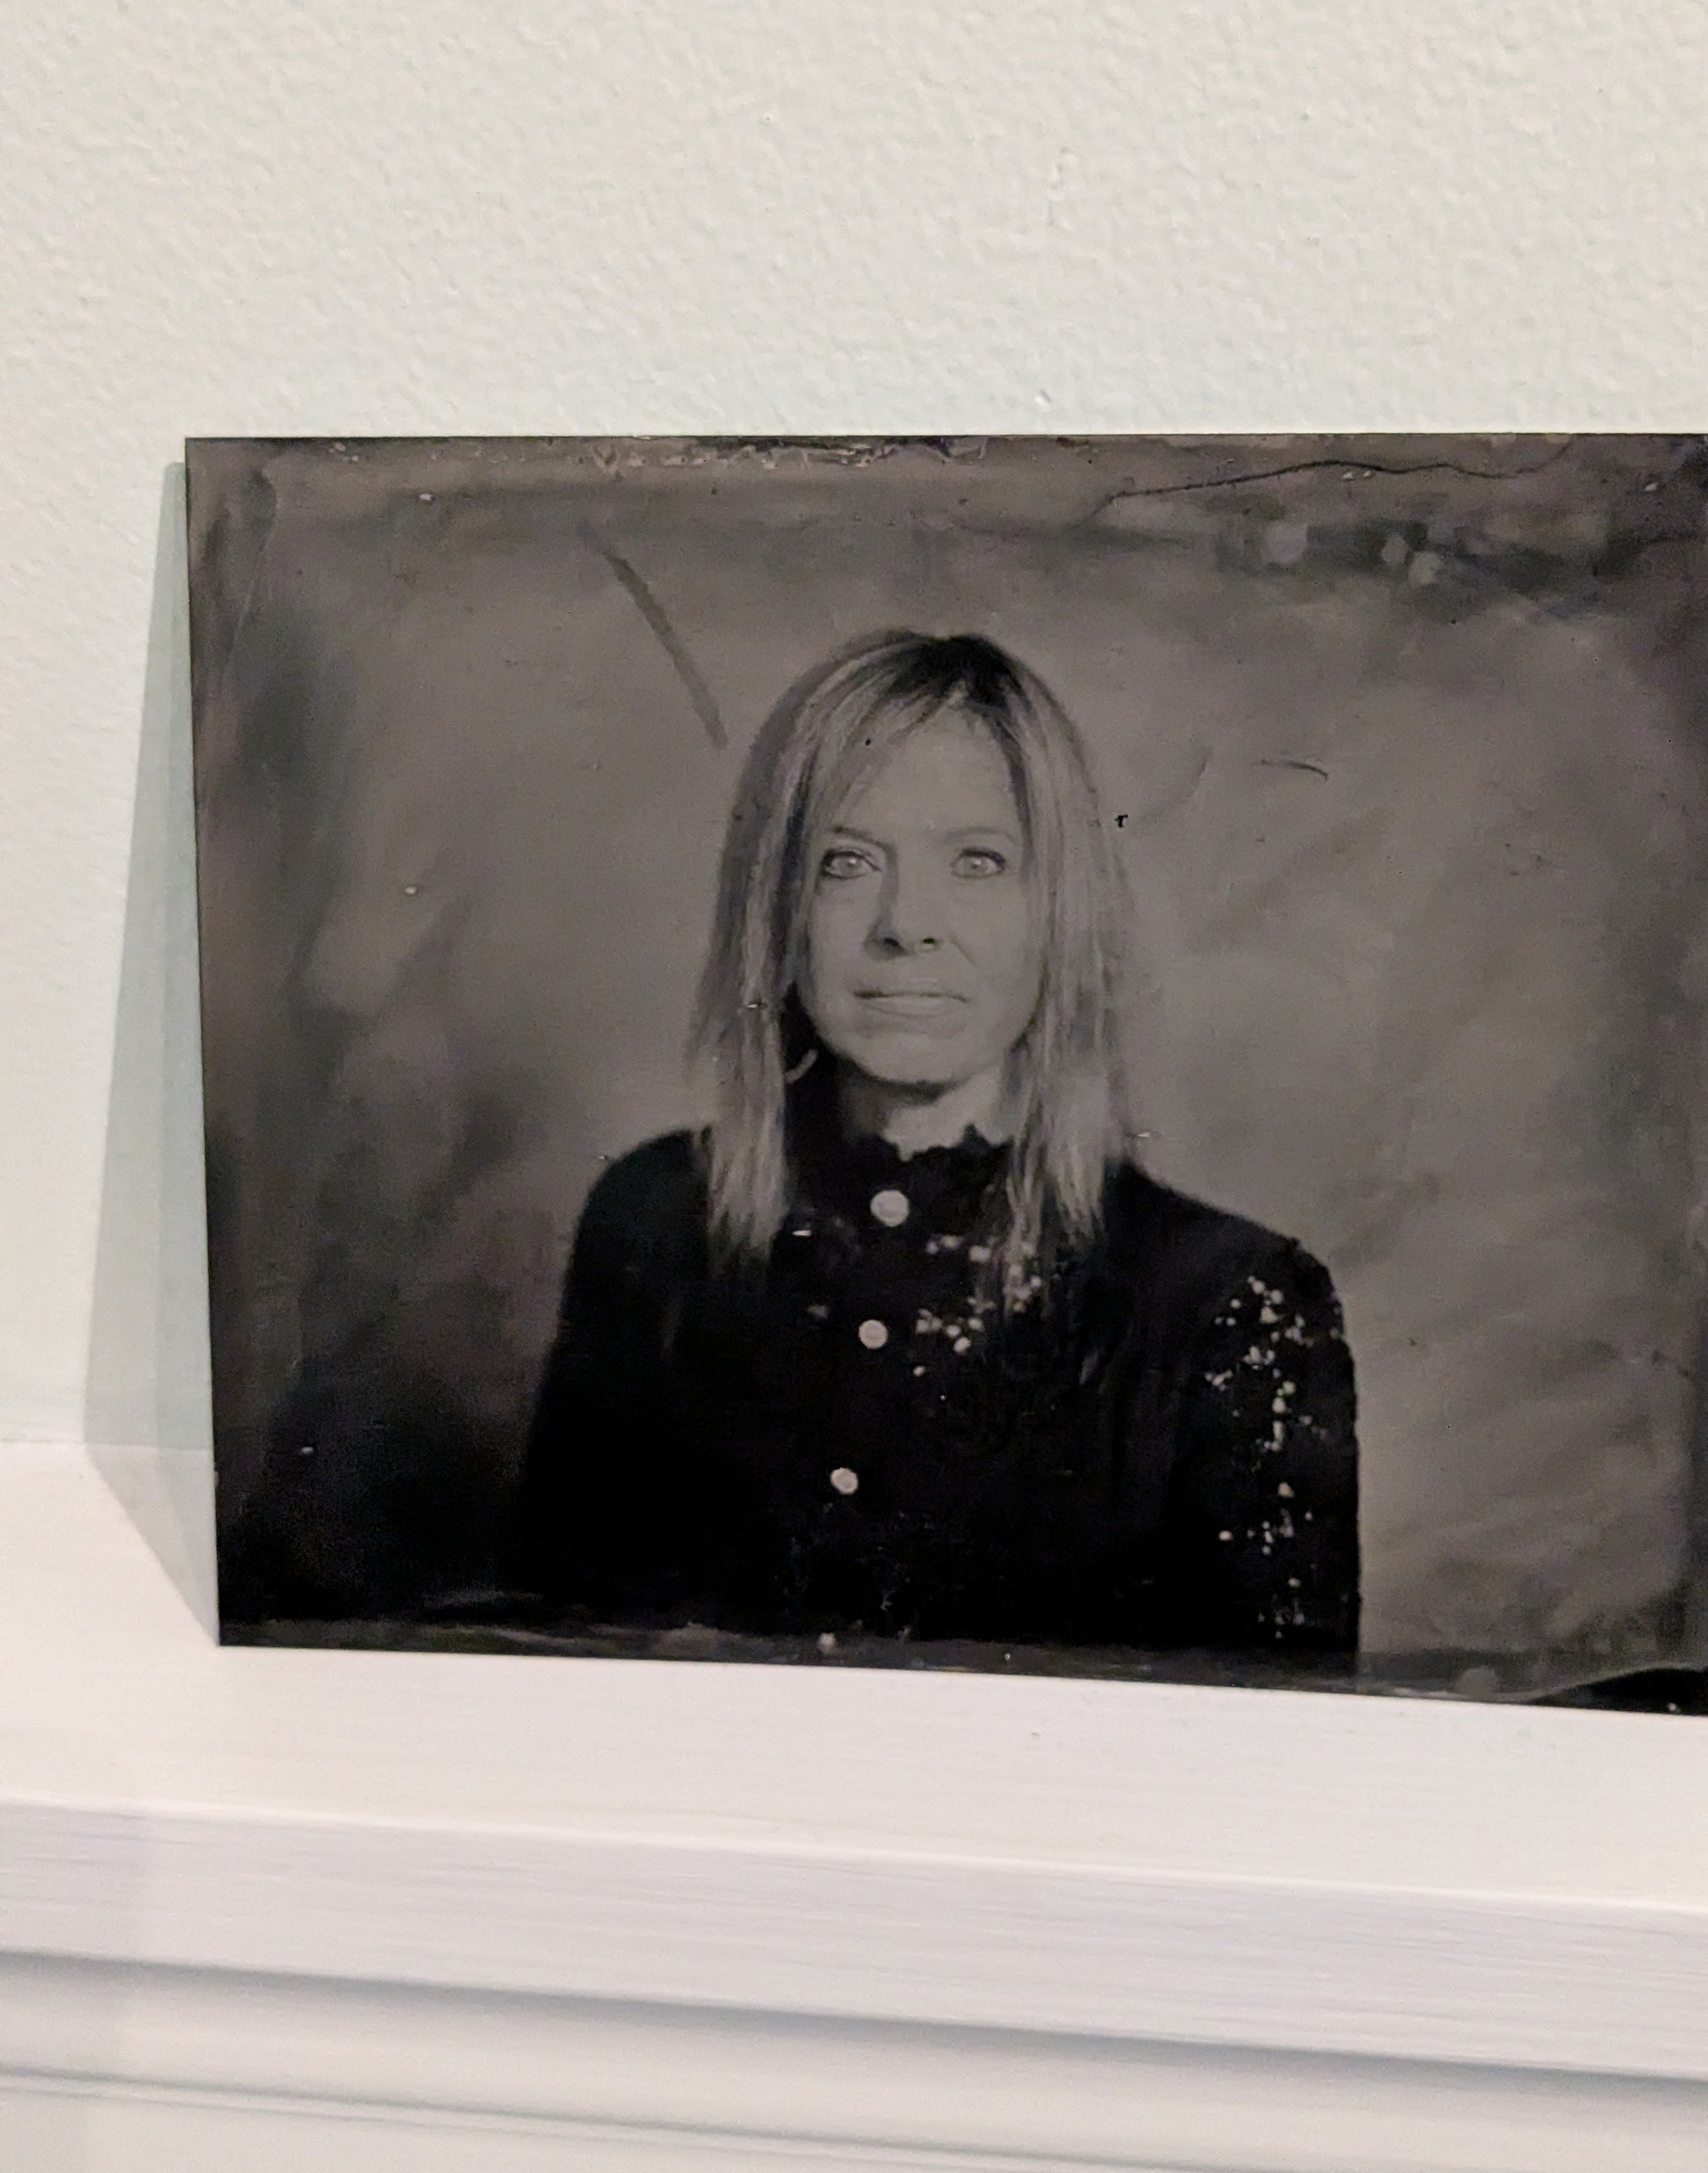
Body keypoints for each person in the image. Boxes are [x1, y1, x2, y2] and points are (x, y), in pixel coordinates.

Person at [513, 629, 1358, 1666]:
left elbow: (1273, 1750)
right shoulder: (652, 1221)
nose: (907, 924)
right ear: (777, 909)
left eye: (977, 863)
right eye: (847, 862)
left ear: (1057, 912)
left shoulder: (1234, 1303)